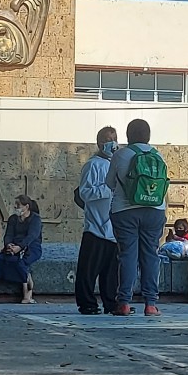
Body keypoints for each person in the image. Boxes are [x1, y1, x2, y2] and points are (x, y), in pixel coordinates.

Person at [106, 118, 167, 317]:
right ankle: (150, 304)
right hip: (155, 211)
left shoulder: (121, 154)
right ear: (148, 136)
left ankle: (123, 303)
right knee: (151, 255)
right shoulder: (159, 155)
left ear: (128, 135)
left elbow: (109, 184)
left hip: (125, 211)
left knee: (128, 256)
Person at [75, 126, 120, 315]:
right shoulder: (93, 165)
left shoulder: (117, 163)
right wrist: (107, 189)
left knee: (111, 272)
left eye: (115, 138)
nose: (113, 143)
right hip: (95, 226)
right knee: (88, 270)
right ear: (100, 143)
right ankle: (87, 303)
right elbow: (84, 192)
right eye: (108, 139)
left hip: (113, 228)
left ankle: (111, 303)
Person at [0, 194, 43, 304]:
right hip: (14, 246)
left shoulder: (35, 219)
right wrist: (9, 245)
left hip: (31, 246)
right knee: (0, 259)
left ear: (27, 206)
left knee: (21, 262)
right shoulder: (13, 219)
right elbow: (8, 235)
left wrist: (20, 247)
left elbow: (32, 236)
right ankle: (26, 277)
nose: (16, 207)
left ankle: (27, 293)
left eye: (18, 205)